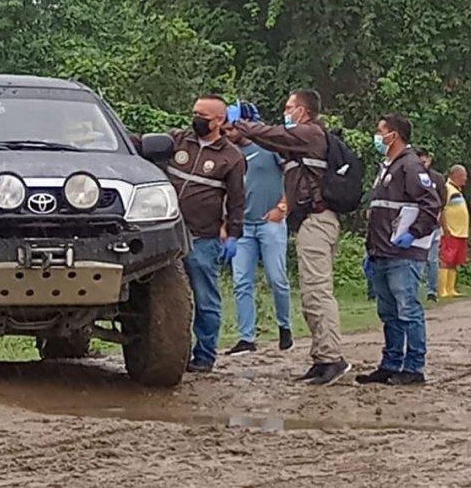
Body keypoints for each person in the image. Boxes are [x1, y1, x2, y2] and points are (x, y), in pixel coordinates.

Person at [228, 89, 352, 386]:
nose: (286, 112)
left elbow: (274, 134)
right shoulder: (301, 143)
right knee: (311, 293)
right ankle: (322, 357)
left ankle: (332, 358)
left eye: (289, 107)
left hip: (317, 220)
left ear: (304, 111)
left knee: (318, 292)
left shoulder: (309, 134)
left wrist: (243, 124)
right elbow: (272, 139)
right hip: (310, 222)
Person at [148, 95, 246, 373]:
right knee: (162, 296)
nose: (196, 119)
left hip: (202, 237)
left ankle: (204, 355)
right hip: (165, 234)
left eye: (203, 115)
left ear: (219, 120)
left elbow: (237, 201)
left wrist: (234, 234)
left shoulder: (232, 158)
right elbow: (139, 144)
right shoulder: (177, 140)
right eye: (195, 113)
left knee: (205, 298)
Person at [356, 114, 440, 386]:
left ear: (394, 135)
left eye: (380, 131)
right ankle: (390, 362)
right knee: (388, 312)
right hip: (381, 252)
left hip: (402, 254)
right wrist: (370, 251)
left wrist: (413, 234)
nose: (377, 136)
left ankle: (414, 366)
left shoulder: (411, 166)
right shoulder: (386, 167)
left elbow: (431, 205)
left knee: (408, 310)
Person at [224, 120, 293, 355]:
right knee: (241, 282)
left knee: (277, 278)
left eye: (231, 129)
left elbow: (292, 177)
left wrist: (283, 206)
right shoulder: (229, 154)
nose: (228, 133)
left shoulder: (269, 148)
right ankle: (246, 337)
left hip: (269, 222)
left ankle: (285, 325)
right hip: (242, 226)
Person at [415, 148, 447, 301]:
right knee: (416, 258)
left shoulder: (438, 178)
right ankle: (416, 288)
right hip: (415, 223)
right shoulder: (411, 175)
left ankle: (432, 290)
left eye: (425, 160)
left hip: (433, 224)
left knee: (432, 259)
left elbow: (442, 201)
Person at [438, 165, 469, 298]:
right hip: (451, 231)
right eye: (463, 176)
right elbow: (442, 209)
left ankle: (451, 288)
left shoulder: (458, 190)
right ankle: (442, 289)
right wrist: (445, 228)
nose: (465, 179)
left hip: (461, 232)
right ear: (456, 175)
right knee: (446, 259)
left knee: (455, 261)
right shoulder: (447, 189)